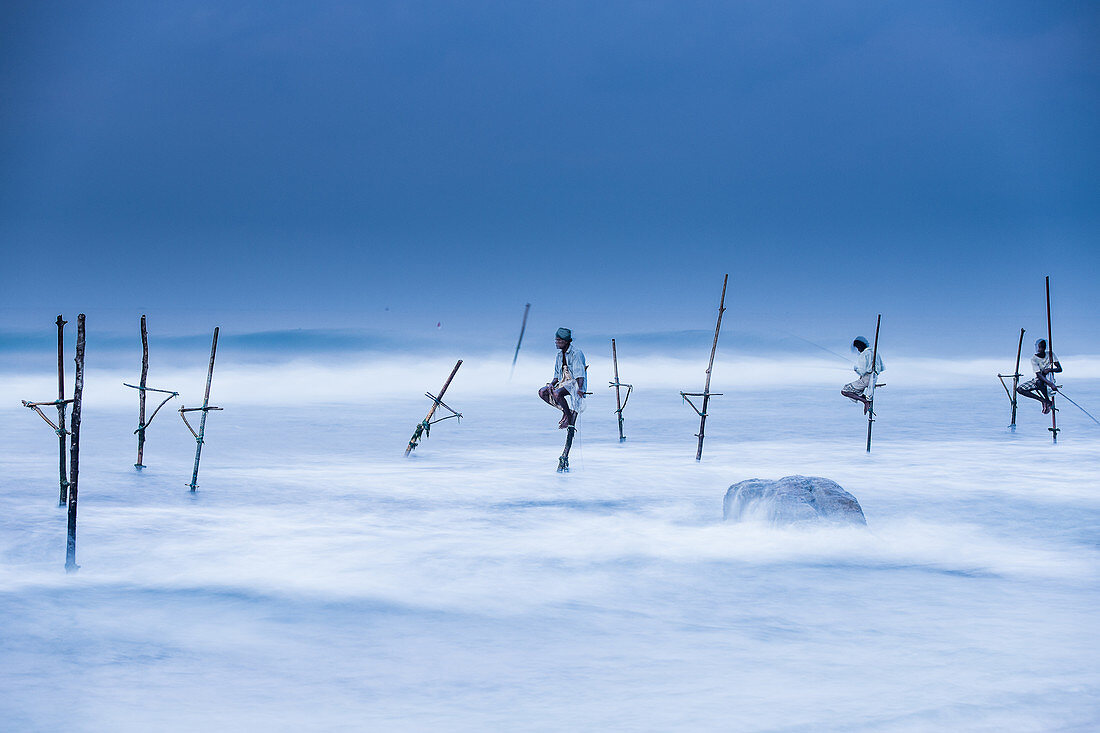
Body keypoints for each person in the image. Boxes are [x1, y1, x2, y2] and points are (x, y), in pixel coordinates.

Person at [538, 327, 587, 429]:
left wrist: (580, 388)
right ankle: (565, 411)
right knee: (543, 392)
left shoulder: (576, 353)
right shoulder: (559, 355)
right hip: (563, 382)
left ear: (566, 341)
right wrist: (551, 384)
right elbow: (556, 375)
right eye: (556, 340)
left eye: (559, 340)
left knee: (557, 393)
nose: (557, 342)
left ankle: (569, 417)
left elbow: (580, 374)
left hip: (574, 383)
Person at [1016, 338, 1062, 415]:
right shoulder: (1034, 359)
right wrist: (1050, 384)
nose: (1041, 349)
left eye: (1043, 347)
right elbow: (1038, 374)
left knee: (1040, 382)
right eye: (1040, 347)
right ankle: (1044, 401)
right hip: (1040, 379)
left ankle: (1047, 401)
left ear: (1045, 347)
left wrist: (1050, 370)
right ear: (1037, 347)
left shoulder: (1050, 354)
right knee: (1020, 389)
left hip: (1049, 379)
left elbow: (1059, 369)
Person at [841, 336, 884, 414]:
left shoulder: (864, 354)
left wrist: (856, 370)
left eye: (858, 348)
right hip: (873, 377)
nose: (858, 350)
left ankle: (865, 401)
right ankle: (863, 397)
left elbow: (863, 371)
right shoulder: (874, 352)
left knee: (844, 391)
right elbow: (881, 367)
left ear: (860, 346)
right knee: (856, 389)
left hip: (866, 379)